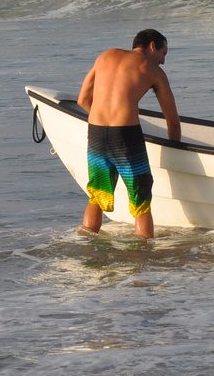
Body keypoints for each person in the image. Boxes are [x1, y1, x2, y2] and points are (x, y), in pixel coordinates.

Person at [77, 28, 181, 237]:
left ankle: (87, 247)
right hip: (126, 137)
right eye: (164, 53)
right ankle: (142, 258)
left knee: (97, 196)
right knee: (141, 200)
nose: (163, 61)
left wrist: (105, 118)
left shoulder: (105, 56)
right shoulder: (153, 71)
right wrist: (175, 154)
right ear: (152, 46)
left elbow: (82, 100)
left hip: (96, 132)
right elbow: (172, 122)